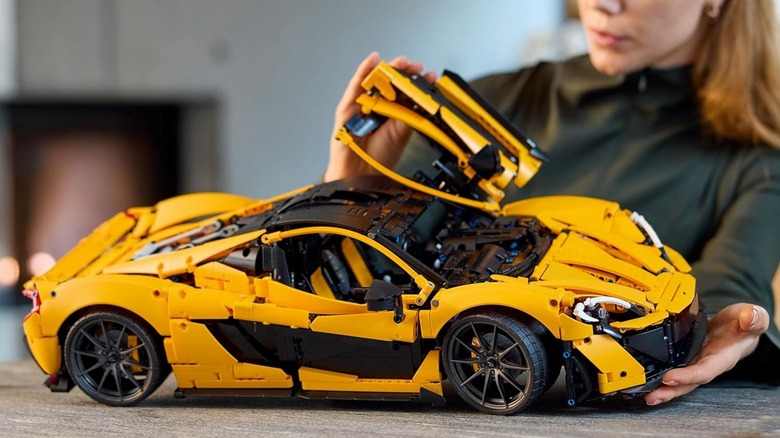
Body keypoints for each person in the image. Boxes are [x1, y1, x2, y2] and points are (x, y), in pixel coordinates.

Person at [324, 0, 780, 406]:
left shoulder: (760, 157)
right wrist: (347, 189)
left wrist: (722, 325)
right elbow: (361, 288)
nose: (600, 5)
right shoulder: (485, 108)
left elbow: (732, 277)